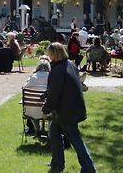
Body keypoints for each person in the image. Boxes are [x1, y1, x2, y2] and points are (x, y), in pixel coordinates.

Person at [42, 42, 96, 173]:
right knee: (54, 132)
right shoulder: (70, 65)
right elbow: (61, 88)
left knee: (75, 139)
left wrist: (45, 110)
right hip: (70, 108)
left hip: (66, 111)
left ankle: (89, 168)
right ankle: (57, 163)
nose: (48, 56)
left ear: (54, 54)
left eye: (49, 54)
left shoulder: (58, 70)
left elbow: (55, 94)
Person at [23, 56, 50, 135]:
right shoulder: (51, 77)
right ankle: (50, 133)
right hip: (45, 110)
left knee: (33, 107)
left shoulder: (32, 77)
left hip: (30, 111)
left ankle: (37, 130)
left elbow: (25, 88)